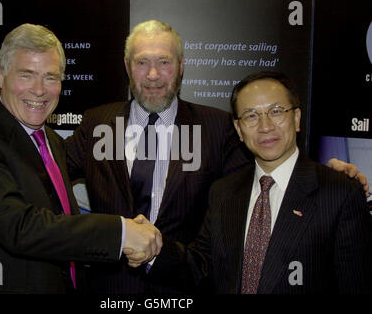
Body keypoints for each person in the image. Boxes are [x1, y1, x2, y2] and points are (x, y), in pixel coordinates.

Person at [65, 20, 368, 294]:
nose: (153, 74)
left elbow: (268, 161)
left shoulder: (216, 126)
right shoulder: (97, 123)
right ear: (127, 66)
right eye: (142, 62)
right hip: (109, 289)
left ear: (181, 66)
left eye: (164, 62)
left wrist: (321, 172)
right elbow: (50, 172)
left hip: (183, 286)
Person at [0, 23, 161, 294]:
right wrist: (121, 233)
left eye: (51, 77)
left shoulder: (53, 142)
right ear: (0, 74)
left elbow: (59, 225)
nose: (40, 89)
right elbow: (20, 228)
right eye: (27, 75)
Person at [136, 71, 372, 293]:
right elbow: (201, 267)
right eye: (251, 116)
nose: (265, 126)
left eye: (277, 111)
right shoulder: (223, 192)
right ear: (239, 129)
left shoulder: (339, 193)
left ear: (297, 118)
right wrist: (154, 249)